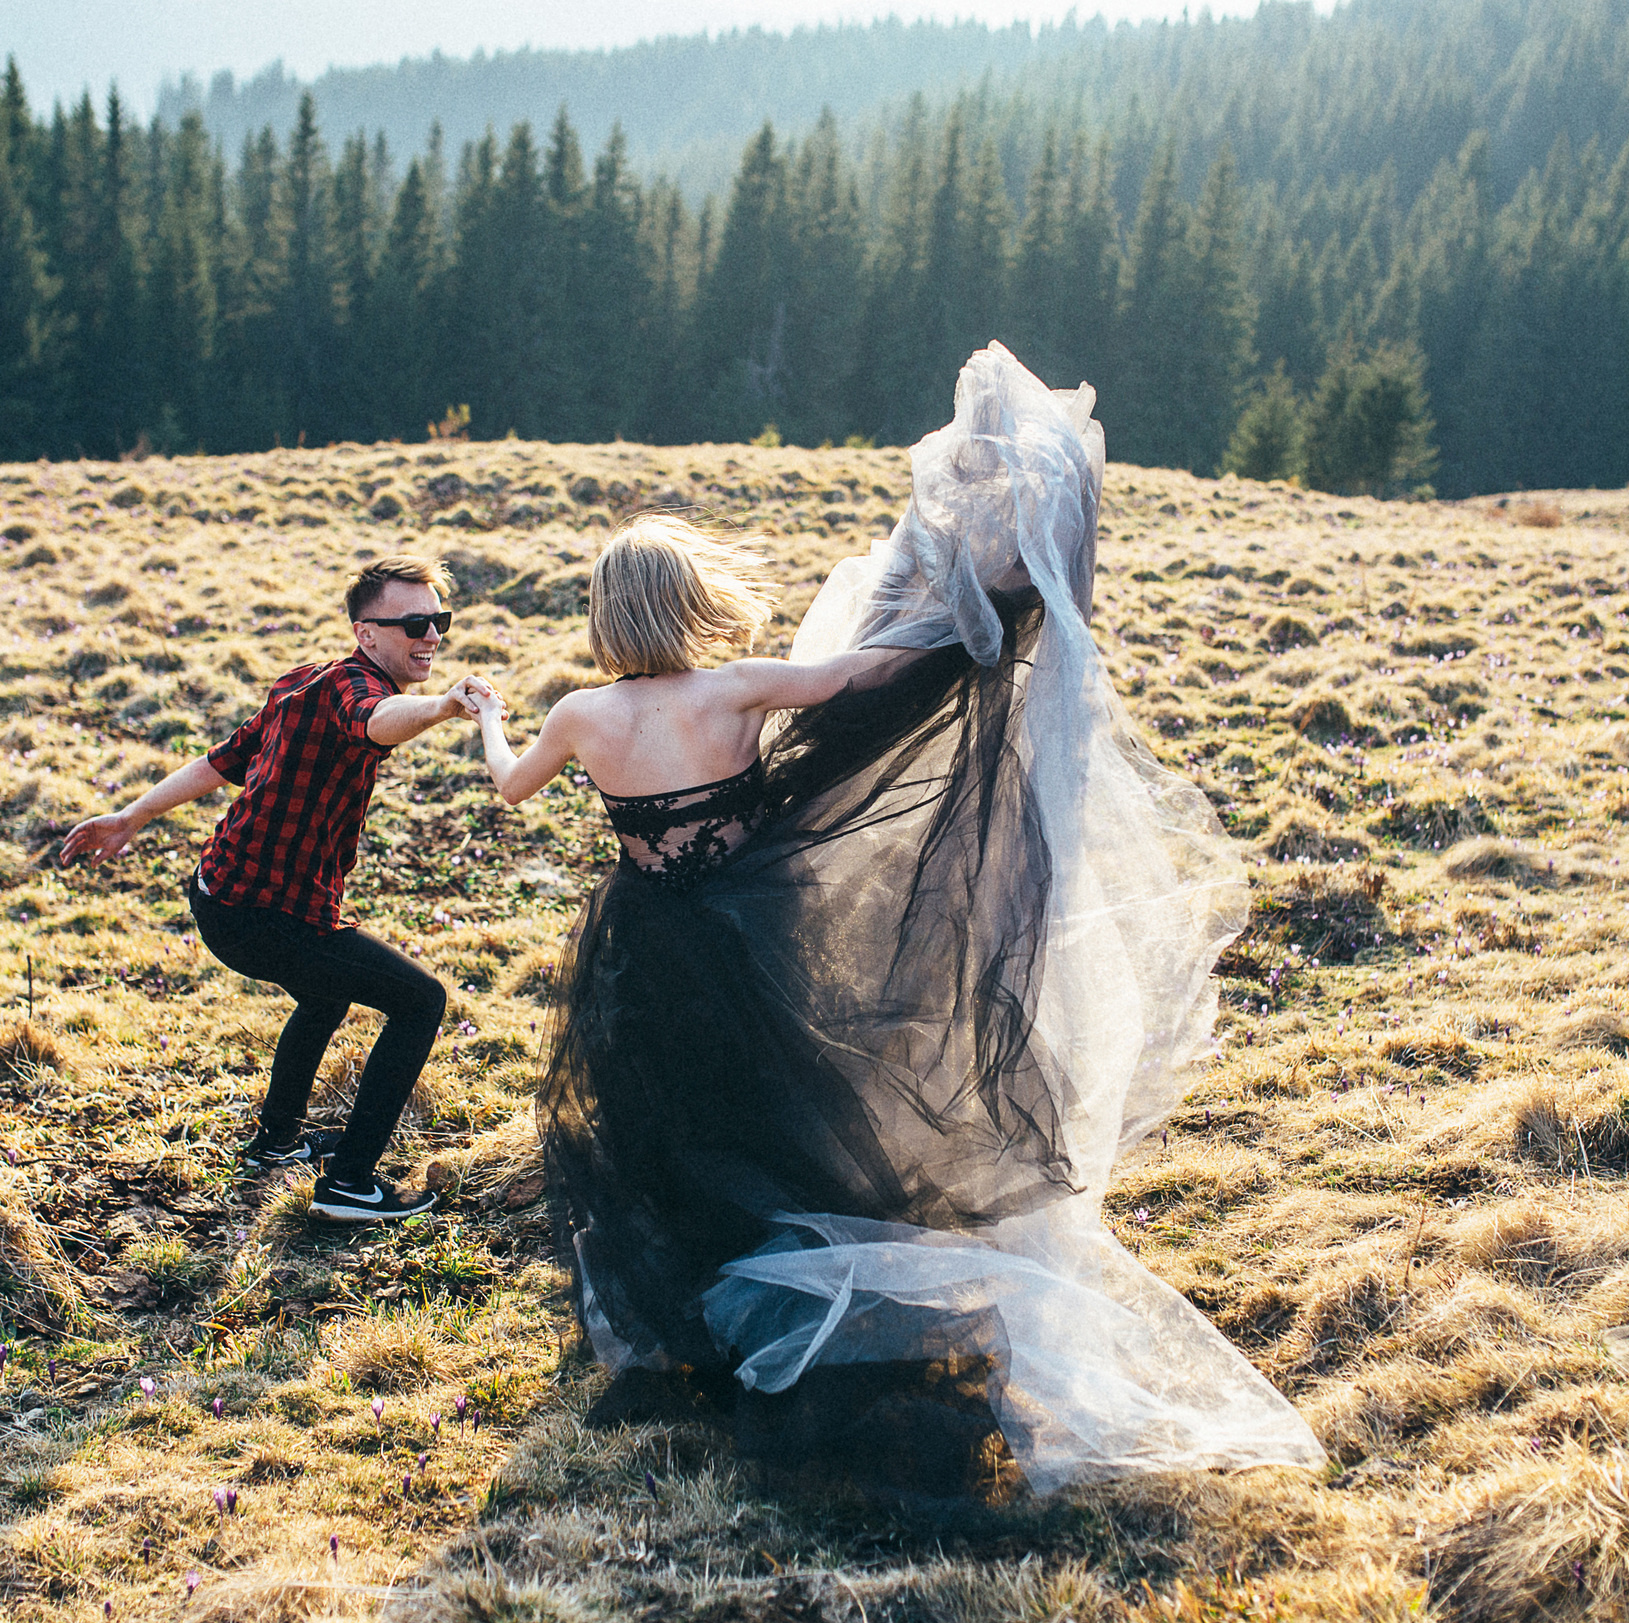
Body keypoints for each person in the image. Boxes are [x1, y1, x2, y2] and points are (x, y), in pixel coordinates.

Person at [461, 345, 1323, 1499]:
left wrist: (484, 716)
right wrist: (985, 610)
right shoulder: (734, 687)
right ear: (687, 602)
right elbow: (863, 678)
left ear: (607, 612)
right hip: (738, 926)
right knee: (771, 1101)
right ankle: (774, 1262)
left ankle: (679, 1293)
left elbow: (509, 782)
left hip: (639, 932)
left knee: (652, 1106)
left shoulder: (579, 710)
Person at [60, 555, 469, 1224]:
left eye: (439, 621)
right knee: (421, 1001)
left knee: (326, 992)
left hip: (221, 894)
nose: (431, 636)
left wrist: (130, 817)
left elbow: (220, 761)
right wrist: (444, 707)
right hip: (264, 917)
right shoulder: (349, 692)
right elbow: (378, 720)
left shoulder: (305, 681)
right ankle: (349, 1185)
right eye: (416, 622)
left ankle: (276, 1142)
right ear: (367, 634)